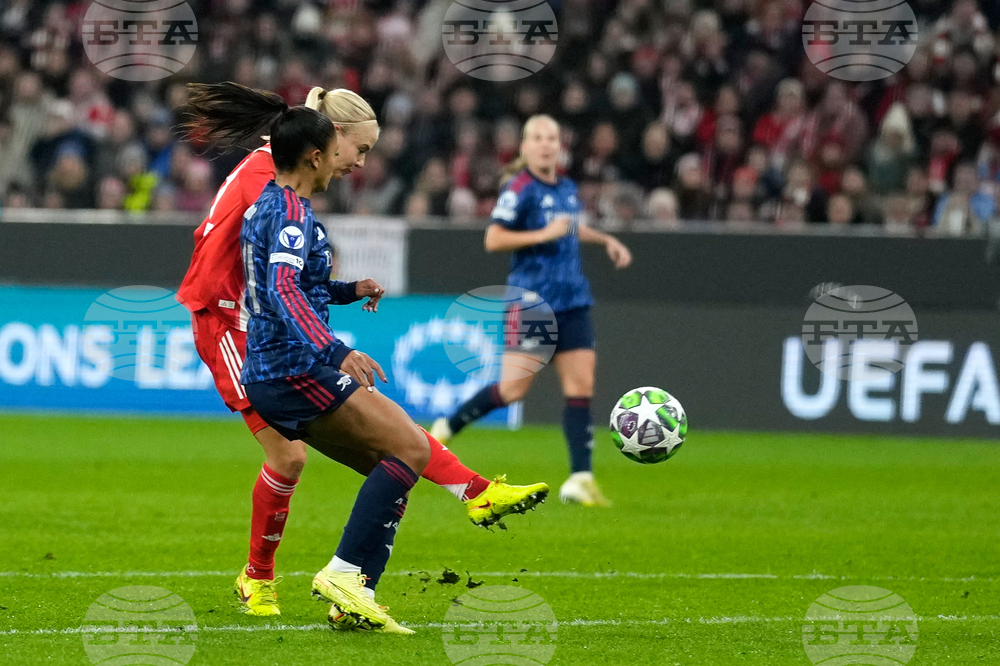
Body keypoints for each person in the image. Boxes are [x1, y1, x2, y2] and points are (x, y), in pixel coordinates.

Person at [178, 83, 548, 624]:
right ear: (325, 144)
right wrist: (334, 347)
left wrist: (346, 290)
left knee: (393, 455)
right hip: (234, 322)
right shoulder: (277, 195)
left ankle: (365, 584)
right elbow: (279, 286)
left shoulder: (279, 184)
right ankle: (273, 576)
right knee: (303, 456)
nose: (360, 163)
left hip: (267, 331)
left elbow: (291, 279)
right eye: (360, 149)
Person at [431, 114, 633, 506]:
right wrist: (543, 234)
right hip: (533, 305)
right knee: (511, 391)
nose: (545, 144)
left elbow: (570, 227)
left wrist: (604, 239)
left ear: (560, 146)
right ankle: (445, 427)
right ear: (524, 147)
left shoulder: (567, 188)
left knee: (581, 388)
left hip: (573, 300)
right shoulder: (519, 189)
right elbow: (493, 238)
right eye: (537, 138)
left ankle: (580, 478)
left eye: (551, 138)